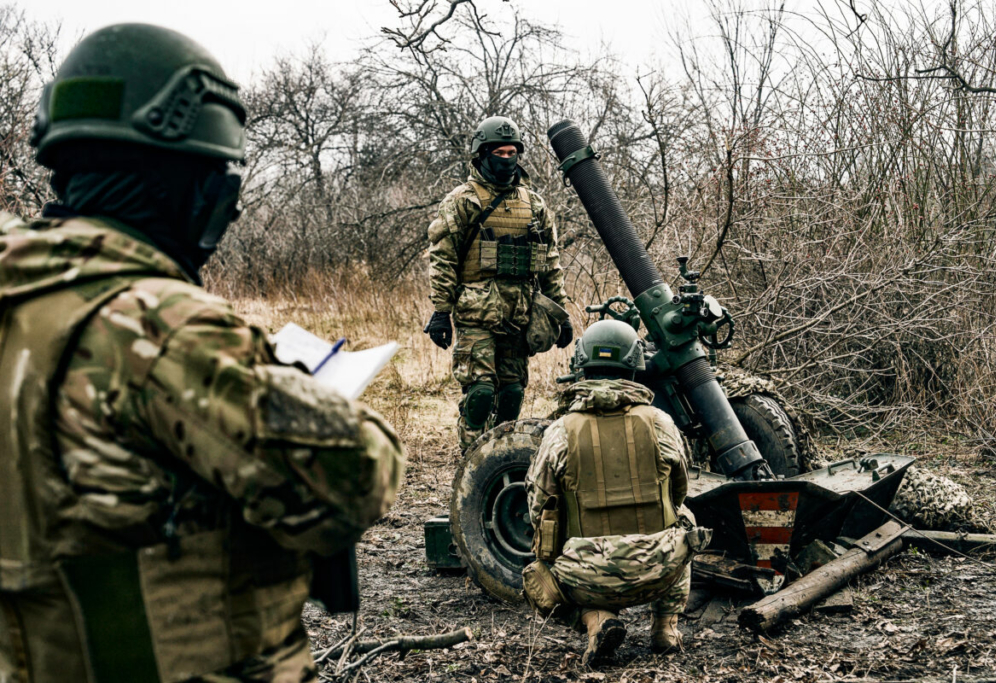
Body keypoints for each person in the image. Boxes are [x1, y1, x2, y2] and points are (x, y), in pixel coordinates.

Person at [0, 24, 404, 682]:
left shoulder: (20, 299)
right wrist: (296, 387)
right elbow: (359, 473)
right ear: (190, 187)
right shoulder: (161, 329)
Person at [521, 320, 711, 668]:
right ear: (635, 366)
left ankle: (596, 620)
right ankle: (665, 627)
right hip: (659, 569)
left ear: (581, 367)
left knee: (537, 569)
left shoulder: (560, 431)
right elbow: (680, 489)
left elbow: (538, 505)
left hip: (585, 577)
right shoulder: (661, 422)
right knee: (685, 519)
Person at [424, 115, 571, 452]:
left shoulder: (533, 204)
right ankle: (471, 460)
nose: (507, 159)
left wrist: (559, 314)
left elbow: (550, 261)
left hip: (518, 315)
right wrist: (440, 312)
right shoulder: (463, 201)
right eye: (499, 153)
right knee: (480, 393)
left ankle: (500, 459)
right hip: (475, 313)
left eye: (512, 152)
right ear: (482, 154)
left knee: (512, 394)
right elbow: (443, 258)